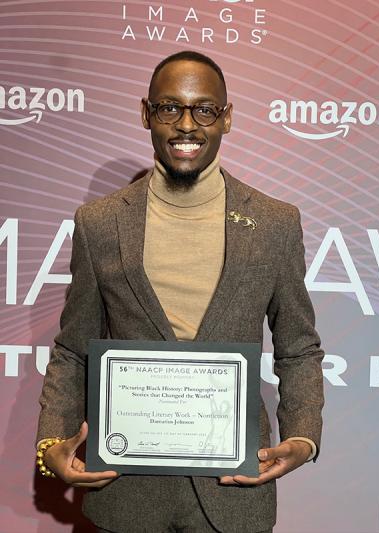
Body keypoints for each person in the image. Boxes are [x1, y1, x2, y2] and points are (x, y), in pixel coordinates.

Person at [36, 51, 324, 533]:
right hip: (124, 491)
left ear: (226, 119)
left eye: (204, 110)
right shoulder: (100, 223)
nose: (186, 125)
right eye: (170, 108)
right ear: (146, 114)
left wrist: (302, 437)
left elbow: (298, 348)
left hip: (233, 492)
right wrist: (51, 444)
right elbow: (72, 350)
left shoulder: (275, 223)